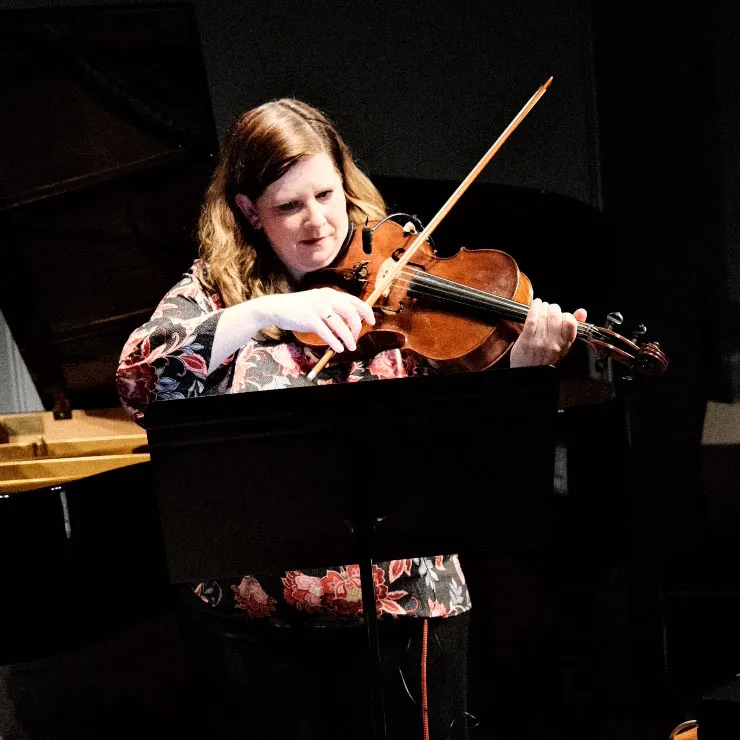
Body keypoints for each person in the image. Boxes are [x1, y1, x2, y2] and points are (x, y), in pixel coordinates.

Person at [117, 98, 586, 740]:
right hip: (253, 628)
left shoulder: (404, 264)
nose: (317, 224)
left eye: (327, 195)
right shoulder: (215, 291)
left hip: (407, 610)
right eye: (288, 207)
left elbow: (477, 451)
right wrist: (258, 315)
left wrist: (528, 368)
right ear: (249, 212)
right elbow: (140, 381)